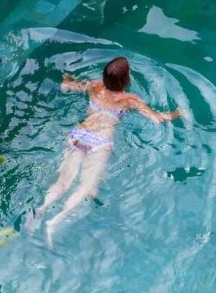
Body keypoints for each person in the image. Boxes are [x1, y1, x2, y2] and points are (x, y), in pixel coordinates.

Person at [33, 56, 184, 244]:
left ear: (104, 78)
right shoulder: (129, 99)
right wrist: (178, 113)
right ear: (126, 80)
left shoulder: (95, 86)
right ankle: (54, 222)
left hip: (79, 134)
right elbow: (156, 119)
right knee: (86, 187)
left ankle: (42, 208)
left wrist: (67, 78)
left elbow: (67, 87)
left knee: (63, 181)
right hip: (99, 143)